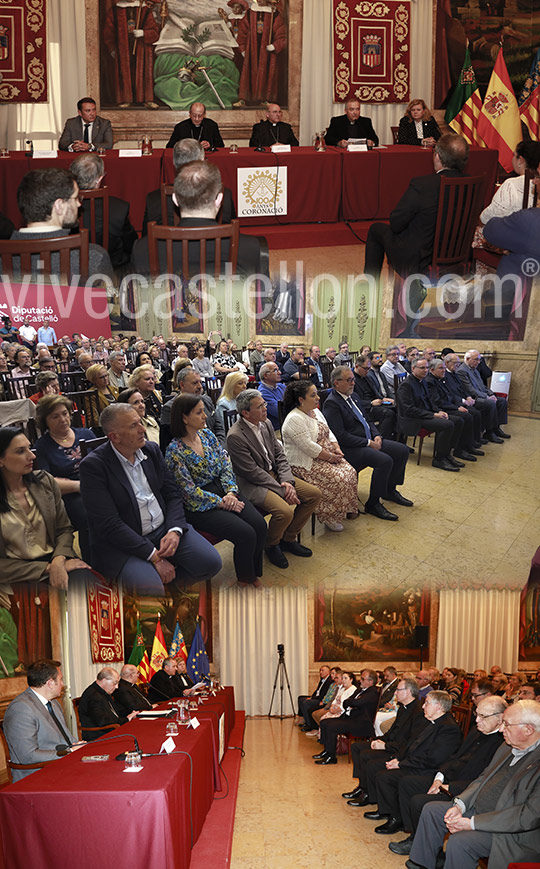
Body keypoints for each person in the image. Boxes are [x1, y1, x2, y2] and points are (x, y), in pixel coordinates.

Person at [79, 404, 222, 594]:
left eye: (140, 422)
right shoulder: (93, 467)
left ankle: (170, 594)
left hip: (163, 529)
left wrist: (174, 530)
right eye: (133, 426)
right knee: (152, 589)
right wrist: (154, 556)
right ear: (114, 437)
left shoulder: (151, 450)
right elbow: (109, 524)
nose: (142, 429)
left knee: (211, 563)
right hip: (125, 542)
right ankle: (154, 602)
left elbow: (172, 494)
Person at [408, 699, 540, 869]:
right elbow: (483, 778)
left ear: (528, 729)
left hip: (508, 831)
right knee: (432, 810)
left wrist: (472, 823)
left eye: (506, 725)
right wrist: (460, 805)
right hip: (479, 810)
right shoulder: (506, 747)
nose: (501, 729)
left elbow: (526, 817)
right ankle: (423, 864)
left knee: (460, 842)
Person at [165, 393, 267, 587]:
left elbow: (225, 465)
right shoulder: (174, 451)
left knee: (259, 524)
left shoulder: (207, 435)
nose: (205, 416)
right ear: (184, 417)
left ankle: (253, 572)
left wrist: (230, 493)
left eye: (204, 411)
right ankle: (245, 579)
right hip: (199, 503)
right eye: (199, 412)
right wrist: (221, 502)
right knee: (245, 533)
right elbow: (188, 492)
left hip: (224, 490)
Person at [388, 694, 507, 856]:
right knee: (408, 783)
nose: (477, 720)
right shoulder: (477, 730)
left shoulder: (503, 743)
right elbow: (455, 757)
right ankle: (414, 835)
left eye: (482, 716)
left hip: (466, 791)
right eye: (476, 715)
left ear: (500, 718)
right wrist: (439, 777)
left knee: (419, 801)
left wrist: (449, 787)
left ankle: (432, 850)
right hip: (451, 778)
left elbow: (485, 779)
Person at [226, 389, 321, 570]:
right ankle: (270, 544)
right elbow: (252, 472)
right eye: (260, 406)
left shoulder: (266, 423)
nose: (265, 408)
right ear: (245, 413)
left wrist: (287, 481)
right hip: (253, 483)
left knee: (313, 495)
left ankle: (288, 538)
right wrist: (283, 488)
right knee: (284, 512)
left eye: (264, 404)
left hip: (276, 475)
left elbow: (279, 454)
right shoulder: (235, 436)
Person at [364, 133, 469, 282]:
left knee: (376, 230)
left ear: (437, 156)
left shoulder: (422, 185)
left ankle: (368, 291)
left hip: (420, 259)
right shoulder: (473, 184)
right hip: (458, 254)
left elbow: (396, 223)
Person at [131, 161, 263, 277]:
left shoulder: (142, 250)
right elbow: (260, 300)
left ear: (175, 199)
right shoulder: (250, 248)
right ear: (219, 199)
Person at [0, 427, 93, 588]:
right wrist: (49, 568)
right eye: (21, 451)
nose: (32, 456)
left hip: (56, 558)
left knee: (93, 591)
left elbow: (64, 529)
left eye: (29, 448)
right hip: (17, 574)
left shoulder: (44, 482)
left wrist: (59, 559)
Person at [363, 690, 463, 834]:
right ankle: (390, 813)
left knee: (387, 777)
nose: (423, 706)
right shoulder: (430, 721)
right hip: (415, 763)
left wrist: (402, 764)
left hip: (429, 769)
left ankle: (398, 819)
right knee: (382, 772)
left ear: (439, 706)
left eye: (427, 703)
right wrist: (398, 759)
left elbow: (433, 759)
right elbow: (411, 745)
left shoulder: (449, 728)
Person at [323, 367, 412, 521]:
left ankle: (389, 490)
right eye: (349, 380)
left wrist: (377, 435)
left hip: (368, 439)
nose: (353, 382)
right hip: (350, 447)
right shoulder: (332, 403)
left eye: (353, 379)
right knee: (384, 461)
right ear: (337, 383)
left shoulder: (354, 396)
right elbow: (340, 436)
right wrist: (368, 443)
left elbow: (367, 420)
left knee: (402, 451)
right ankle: (373, 503)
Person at [3, 169, 114, 281]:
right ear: (59, 206)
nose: (79, 204)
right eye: (75, 198)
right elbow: (108, 298)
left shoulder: (3, 260)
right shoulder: (93, 258)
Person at [281, 381, 359, 532]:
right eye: (313, 395)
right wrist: (331, 457)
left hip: (325, 454)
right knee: (339, 479)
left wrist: (337, 448)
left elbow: (329, 432)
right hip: (305, 462)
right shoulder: (294, 419)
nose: (318, 398)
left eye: (316, 394)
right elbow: (309, 447)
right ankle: (329, 516)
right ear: (301, 399)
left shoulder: (315, 411)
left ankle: (341, 510)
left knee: (350, 472)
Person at [344, 676, 429, 807]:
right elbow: (393, 731)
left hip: (398, 750)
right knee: (357, 747)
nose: (395, 693)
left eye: (398, 690)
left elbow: (409, 742)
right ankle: (362, 786)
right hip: (392, 744)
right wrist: (380, 740)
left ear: (408, 692)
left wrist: (385, 746)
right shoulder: (403, 707)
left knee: (367, 757)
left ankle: (369, 795)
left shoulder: (418, 712)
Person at [33, 395, 96, 562]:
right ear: (45, 421)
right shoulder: (43, 446)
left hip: (96, 485)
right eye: (55, 416)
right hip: (69, 495)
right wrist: (78, 486)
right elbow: (46, 481)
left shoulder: (86, 433)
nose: (63, 419)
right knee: (87, 514)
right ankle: (92, 563)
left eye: (65, 413)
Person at [2, 659, 80, 781]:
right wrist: (69, 751)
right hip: (38, 774)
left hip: (61, 765)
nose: (62, 684)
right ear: (50, 683)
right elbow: (28, 756)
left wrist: (77, 745)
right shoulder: (21, 708)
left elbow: (66, 738)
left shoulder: (53, 702)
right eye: (60, 679)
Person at [142, 139, 235, 234]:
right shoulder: (224, 196)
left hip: (168, 248)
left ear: (174, 162)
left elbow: (146, 241)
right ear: (202, 160)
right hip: (216, 248)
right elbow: (234, 236)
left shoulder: (153, 200)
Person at [70, 153, 137, 268]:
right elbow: (131, 244)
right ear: (100, 179)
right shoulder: (119, 208)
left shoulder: (61, 208)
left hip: (72, 266)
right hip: (113, 268)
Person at [396, 358, 462, 472]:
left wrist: (438, 411)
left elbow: (430, 401)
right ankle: (439, 459)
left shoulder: (423, 381)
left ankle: (447, 454)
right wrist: (433, 415)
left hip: (424, 415)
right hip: (412, 419)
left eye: (427, 367)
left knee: (458, 420)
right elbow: (409, 410)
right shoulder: (406, 385)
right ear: (413, 369)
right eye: (422, 368)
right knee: (448, 425)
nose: (425, 370)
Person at [313, 668, 380, 765]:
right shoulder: (360, 690)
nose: (360, 680)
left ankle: (332, 757)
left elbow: (357, 702)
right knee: (324, 722)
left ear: (370, 681)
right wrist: (352, 703)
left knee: (331, 726)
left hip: (360, 723)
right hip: (351, 718)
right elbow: (347, 702)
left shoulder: (372, 692)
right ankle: (327, 750)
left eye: (362, 679)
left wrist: (352, 703)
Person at [103, 1, 160, 108]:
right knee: (124, 73)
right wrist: (111, 48)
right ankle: (125, 99)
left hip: (142, 51)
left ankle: (147, 100)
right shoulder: (115, 10)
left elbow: (155, 33)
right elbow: (108, 32)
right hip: (122, 50)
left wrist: (143, 33)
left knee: (143, 73)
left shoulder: (145, 10)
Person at [160, 367, 225, 450]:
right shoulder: (170, 408)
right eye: (195, 383)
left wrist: (218, 447)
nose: (200, 386)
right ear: (182, 385)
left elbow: (219, 427)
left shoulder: (206, 400)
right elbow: (168, 443)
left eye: (200, 382)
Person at [237, 2, 287, 105]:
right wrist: (242, 48)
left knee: (267, 74)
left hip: (268, 53)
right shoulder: (250, 13)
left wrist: (274, 45)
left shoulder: (275, 14)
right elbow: (242, 32)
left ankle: (265, 100)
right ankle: (244, 99)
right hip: (252, 51)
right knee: (248, 73)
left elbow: (281, 34)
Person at [479, 140, 540, 224]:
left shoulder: (511, 185)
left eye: (514, 155)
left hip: (512, 233)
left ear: (520, 160)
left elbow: (487, 218)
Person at [457, 350, 510, 442]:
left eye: (479, 360)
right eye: (476, 360)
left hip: (482, 395)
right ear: (468, 359)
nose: (478, 362)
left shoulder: (474, 369)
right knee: (490, 403)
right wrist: (487, 397)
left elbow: (482, 386)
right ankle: (489, 432)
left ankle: (496, 428)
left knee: (501, 401)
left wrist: (491, 394)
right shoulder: (461, 371)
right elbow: (470, 390)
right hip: (473, 398)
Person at [78, 668, 137, 741]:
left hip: (109, 730)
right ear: (104, 680)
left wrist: (129, 715)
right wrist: (126, 720)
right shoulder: (93, 696)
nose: (117, 687)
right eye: (115, 683)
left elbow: (113, 713)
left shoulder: (103, 691)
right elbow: (103, 722)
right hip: (98, 735)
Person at [353, 355, 398, 440]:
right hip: (365, 407)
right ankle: (381, 439)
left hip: (374, 403)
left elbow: (374, 391)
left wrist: (382, 398)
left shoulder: (366, 376)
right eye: (365, 368)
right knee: (388, 414)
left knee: (396, 409)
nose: (367, 371)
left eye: (369, 368)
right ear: (357, 366)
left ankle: (396, 440)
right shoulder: (352, 379)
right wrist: (370, 403)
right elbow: (353, 400)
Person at [297, 665, 334, 731]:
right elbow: (317, 691)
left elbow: (323, 695)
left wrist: (312, 699)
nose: (320, 672)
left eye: (322, 671)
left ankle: (309, 724)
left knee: (306, 702)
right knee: (300, 698)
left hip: (320, 699)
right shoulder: (322, 679)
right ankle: (304, 719)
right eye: (320, 670)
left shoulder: (329, 681)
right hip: (317, 697)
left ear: (328, 672)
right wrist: (311, 697)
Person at [258, 361, 286, 430]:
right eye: (275, 371)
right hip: (276, 429)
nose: (280, 373)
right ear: (266, 376)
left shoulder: (281, 386)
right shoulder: (263, 393)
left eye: (278, 370)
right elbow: (280, 413)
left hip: (287, 424)